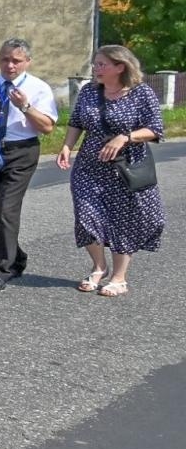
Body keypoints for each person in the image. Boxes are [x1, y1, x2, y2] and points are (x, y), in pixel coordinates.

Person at [56, 44, 165, 297]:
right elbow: (76, 122)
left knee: (122, 220)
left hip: (124, 168)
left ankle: (119, 277)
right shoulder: (89, 92)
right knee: (86, 215)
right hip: (89, 165)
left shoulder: (141, 93)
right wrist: (66, 146)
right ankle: (98, 267)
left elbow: (155, 129)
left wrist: (124, 137)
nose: (96, 68)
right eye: (95, 63)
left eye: (102, 64)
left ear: (120, 67)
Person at [0, 37, 58, 291]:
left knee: (7, 209)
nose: (10, 65)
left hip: (21, 151)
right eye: (5, 59)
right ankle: (17, 257)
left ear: (27, 62)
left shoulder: (38, 88)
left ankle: (1, 269)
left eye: (16, 60)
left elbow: (47, 127)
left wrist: (25, 106)